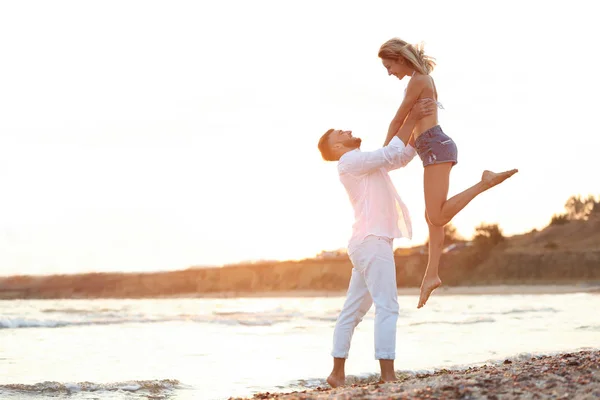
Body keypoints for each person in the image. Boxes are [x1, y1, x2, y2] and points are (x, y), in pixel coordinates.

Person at [378, 38, 518, 309]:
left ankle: (484, 183)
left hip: (435, 147)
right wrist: (397, 156)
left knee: (437, 215)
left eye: (389, 66)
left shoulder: (418, 80)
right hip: (431, 147)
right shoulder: (421, 79)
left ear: (400, 58)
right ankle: (431, 276)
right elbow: (414, 127)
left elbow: (399, 120)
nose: (389, 72)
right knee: (433, 219)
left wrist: (382, 154)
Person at [317, 99, 436, 387]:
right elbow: (392, 151)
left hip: (366, 242)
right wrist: (411, 115)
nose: (346, 131)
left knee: (353, 311)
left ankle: (336, 374)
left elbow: (400, 156)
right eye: (339, 134)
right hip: (371, 242)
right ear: (336, 148)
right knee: (387, 306)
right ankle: (387, 375)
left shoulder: (365, 164)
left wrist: (416, 125)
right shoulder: (349, 162)